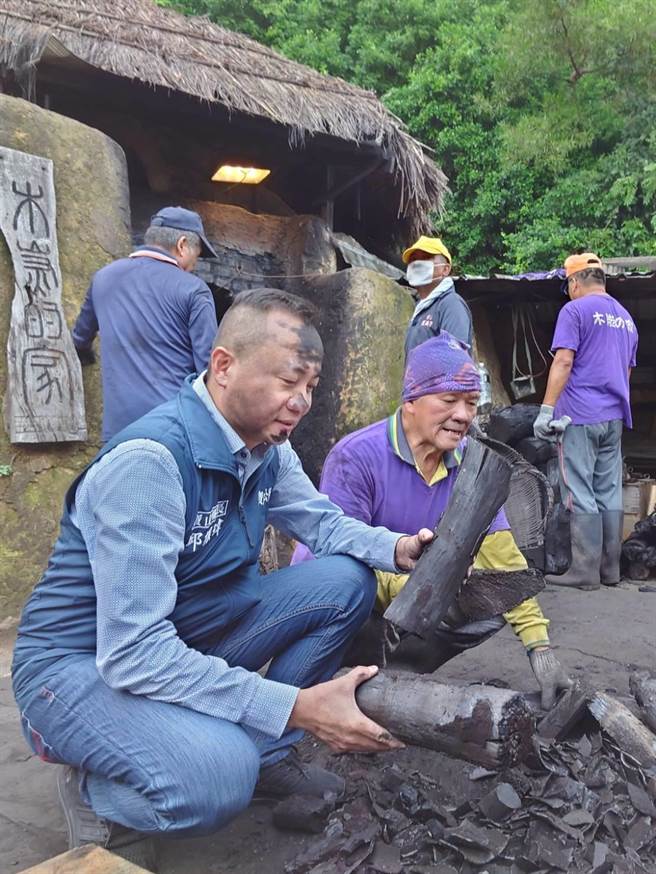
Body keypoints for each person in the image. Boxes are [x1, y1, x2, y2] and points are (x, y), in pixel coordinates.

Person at [12, 289, 432, 866]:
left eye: (311, 386)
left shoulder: (267, 449)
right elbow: (133, 651)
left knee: (345, 582)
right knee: (217, 780)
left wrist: (400, 548)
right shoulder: (150, 463)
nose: (303, 402)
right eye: (289, 382)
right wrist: (296, 704)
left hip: (181, 630)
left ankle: (263, 753)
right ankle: (97, 791)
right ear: (224, 366)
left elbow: (324, 525)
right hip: (78, 665)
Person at [293, 333, 571, 709]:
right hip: (343, 599)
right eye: (449, 400)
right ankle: (329, 672)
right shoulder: (357, 456)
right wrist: (417, 588)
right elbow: (336, 559)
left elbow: (503, 557)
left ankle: (400, 676)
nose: (463, 414)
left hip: (415, 596)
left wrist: (540, 648)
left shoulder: (472, 462)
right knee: (349, 586)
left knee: (491, 604)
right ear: (411, 401)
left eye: (471, 402)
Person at [534, 253, 638, 590]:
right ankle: (610, 570)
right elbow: (626, 372)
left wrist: (547, 409)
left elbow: (563, 360)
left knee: (578, 490)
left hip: (579, 415)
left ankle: (585, 571)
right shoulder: (626, 319)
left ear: (575, 282)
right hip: (614, 417)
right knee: (609, 491)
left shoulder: (574, 311)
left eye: (568, 286)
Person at [72, 206, 219, 441]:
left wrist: (89, 356)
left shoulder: (103, 278)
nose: (195, 264)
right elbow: (210, 369)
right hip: (174, 432)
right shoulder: (193, 289)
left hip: (118, 436)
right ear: (182, 245)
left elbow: (79, 339)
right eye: (197, 255)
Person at [402, 235, 473, 355]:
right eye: (413, 259)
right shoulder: (421, 307)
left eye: (426, 258)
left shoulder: (451, 305)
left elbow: (455, 362)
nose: (417, 264)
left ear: (445, 269)